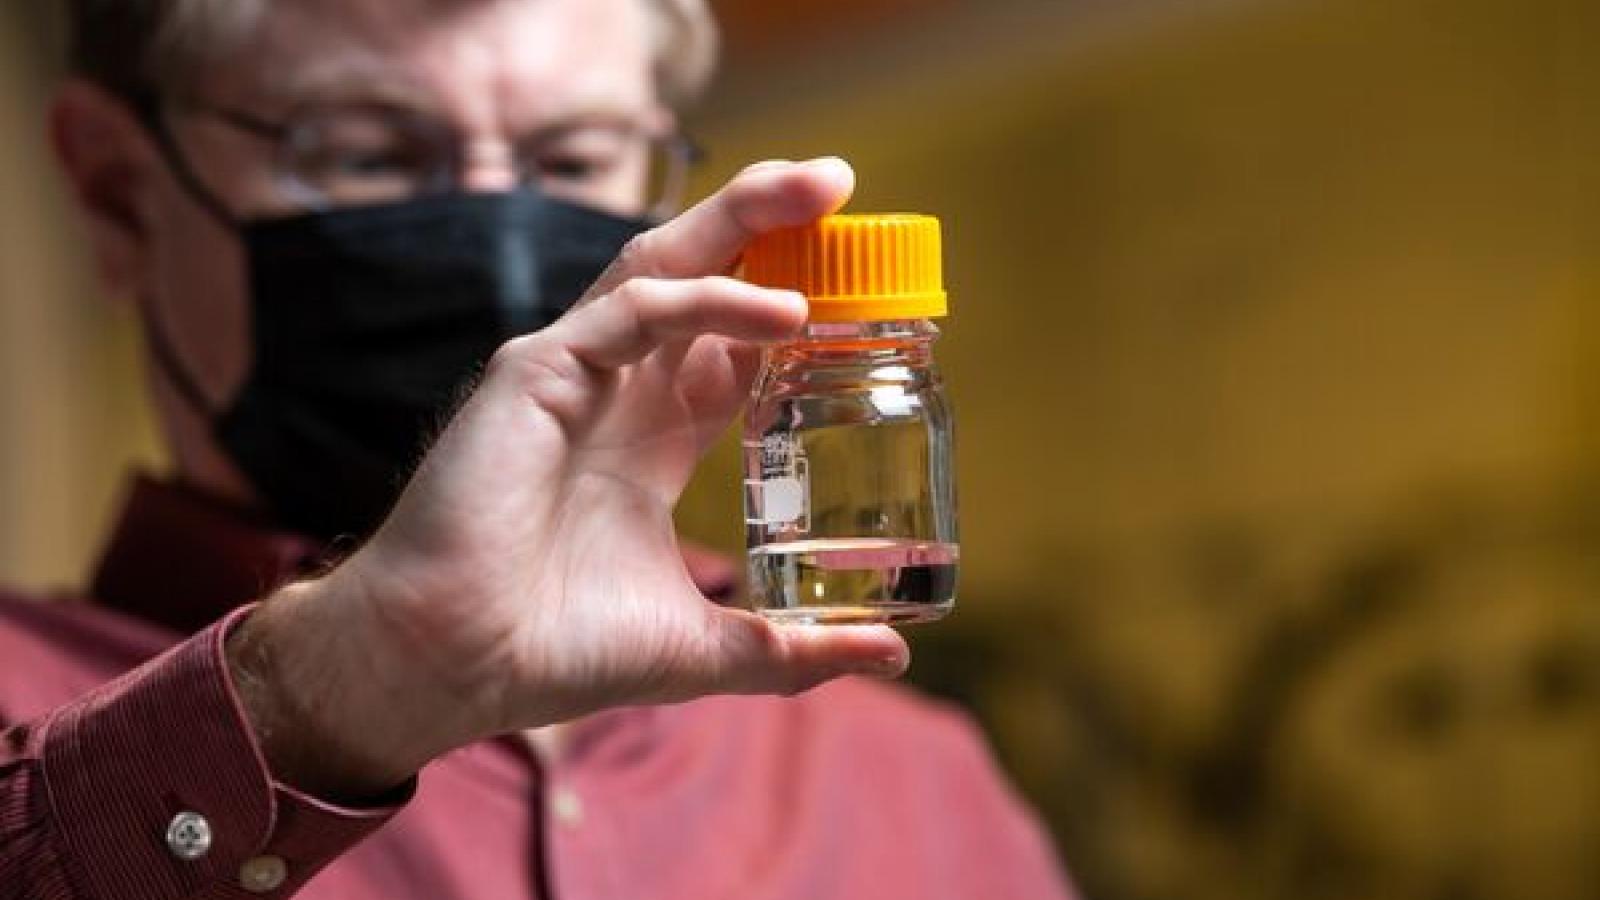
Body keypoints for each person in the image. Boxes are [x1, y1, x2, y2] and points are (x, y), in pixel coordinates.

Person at [0, 0, 1074, 896]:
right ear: (116, 197)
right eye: (368, 152)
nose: (505, 246)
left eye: (573, 156)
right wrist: (314, 699)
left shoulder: (922, 788)